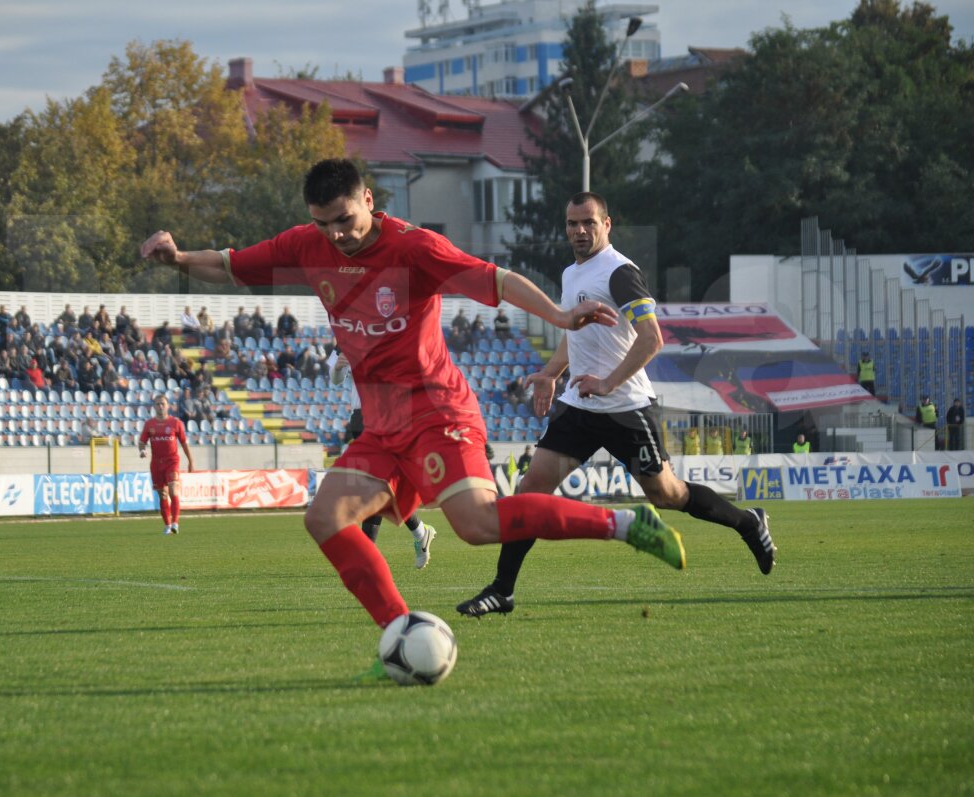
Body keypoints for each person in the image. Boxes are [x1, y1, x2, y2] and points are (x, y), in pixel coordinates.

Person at [141, 158, 685, 673]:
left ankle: (626, 524)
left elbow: (496, 279)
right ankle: (402, 636)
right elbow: (233, 264)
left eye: (345, 220)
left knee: (477, 526)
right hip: (382, 422)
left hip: (436, 410)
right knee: (324, 518)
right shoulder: (307, 246)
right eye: (323, 223)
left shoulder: (413, 247)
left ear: (369, 201)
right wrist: (181, 259)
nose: (336, 234)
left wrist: (561, 317)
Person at [456, 193, 776, 618]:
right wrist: (552, 374)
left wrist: (608, 382)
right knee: (530, 492)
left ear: (608, 223)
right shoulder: (572, 273)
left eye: (588, 222)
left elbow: (652, 339)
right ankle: (503, 590)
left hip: (625, 406)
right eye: (572, 224)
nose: (579, 231)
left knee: (667, 495)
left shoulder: (621, 272)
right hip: (580, 407)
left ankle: (748, 522)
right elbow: (576, 335)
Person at [329, 346, 436, 569]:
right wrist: (338, 368)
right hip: (359, 420)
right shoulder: (345, 335)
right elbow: (336, 379)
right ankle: (420, 532)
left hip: (387, 417)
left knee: (375, 486)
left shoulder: (391, 334)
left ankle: (366, 555)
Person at [139, 394, 194, 534]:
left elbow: (184, 443)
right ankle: (167, 525)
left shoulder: (176, 423)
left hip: (172, 461)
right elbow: (142, 442)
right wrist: (142, 450)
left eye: (163, 403)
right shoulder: (149, 424)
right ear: (154, 406)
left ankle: (175, 522)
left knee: (173, 489)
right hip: (156, 463)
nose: (160, 406)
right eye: (157, 404)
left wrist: (191, 461)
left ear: (168, 405)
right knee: (162, 495)